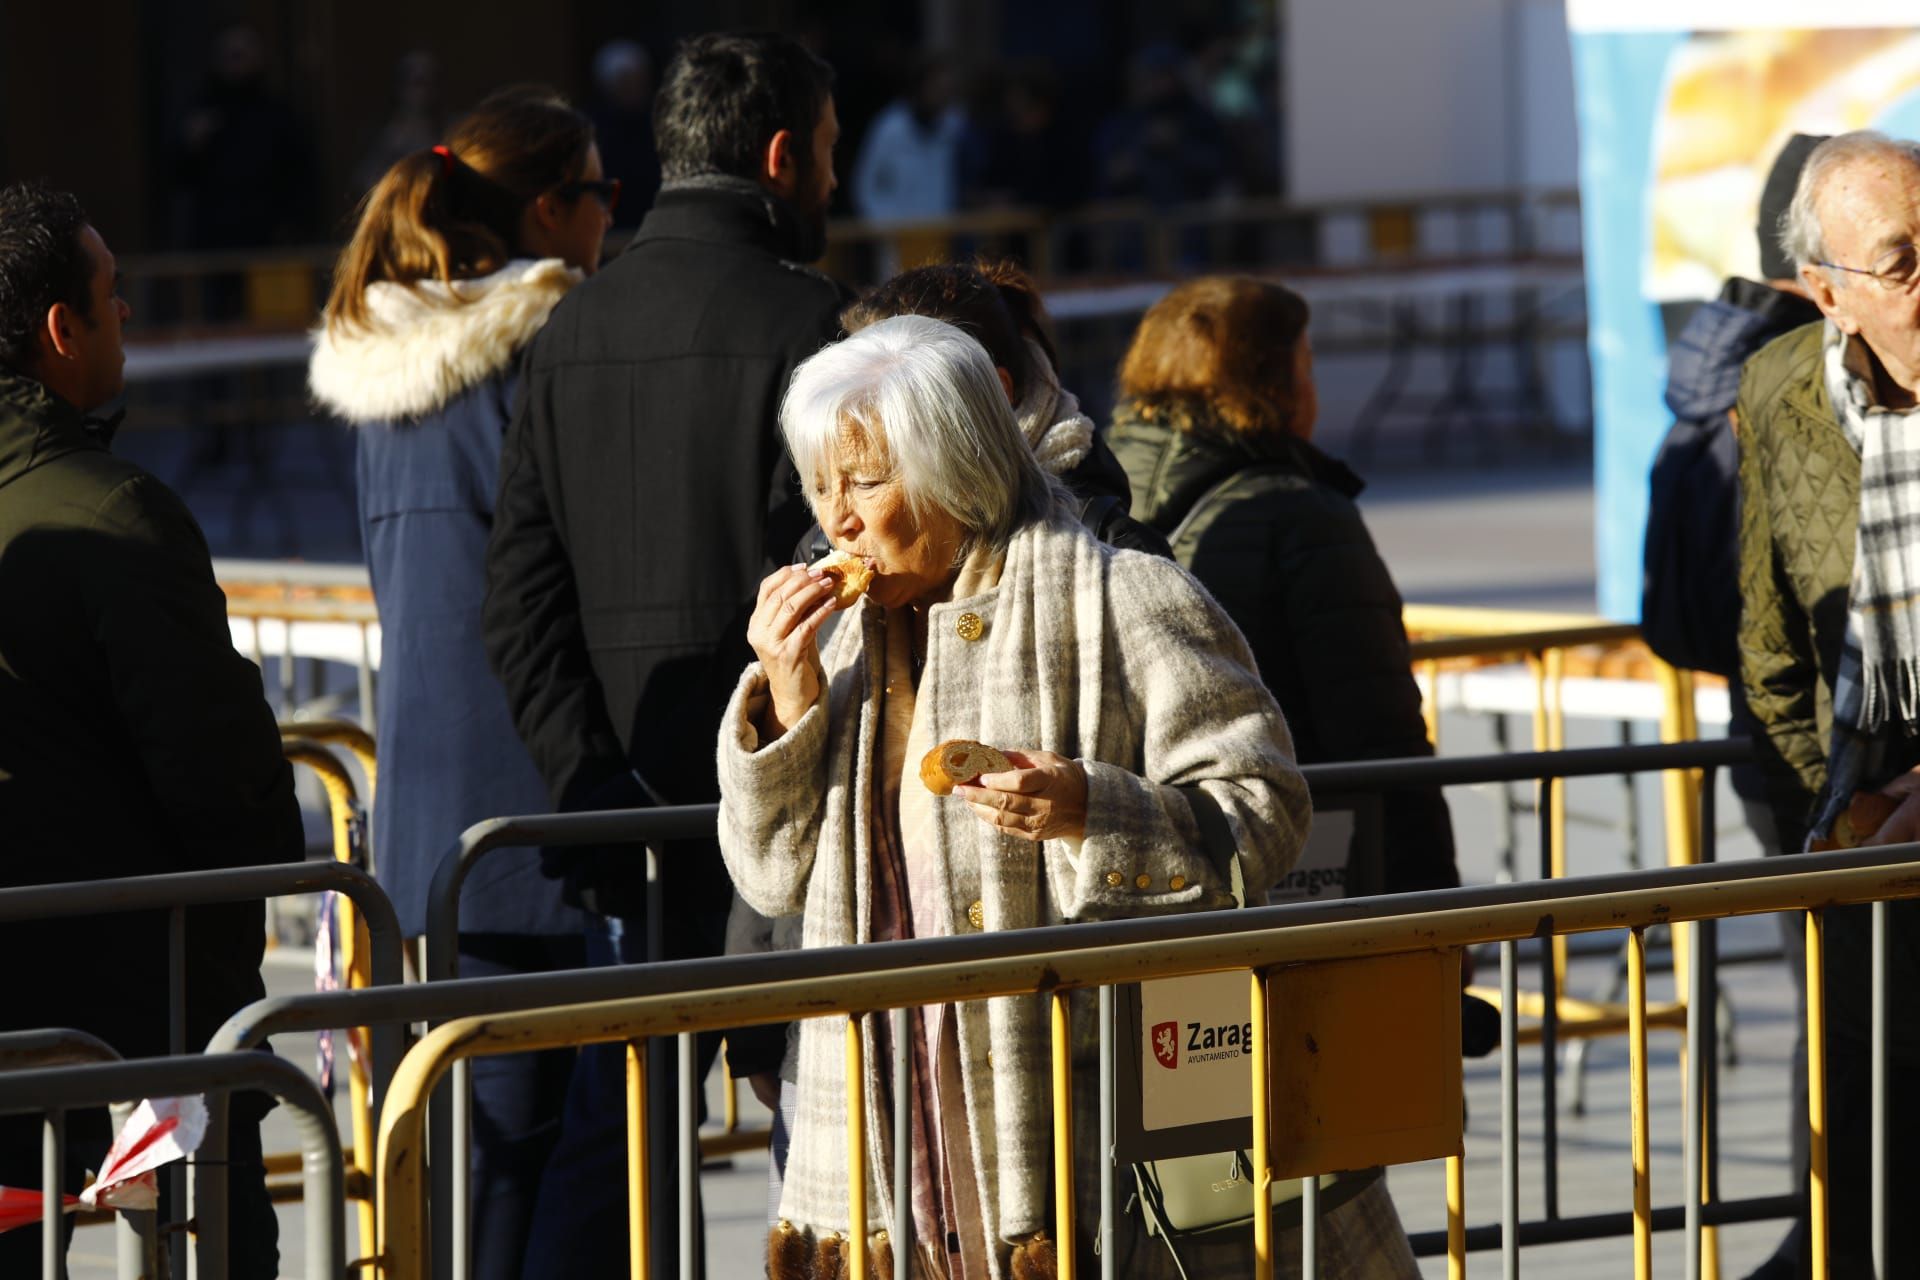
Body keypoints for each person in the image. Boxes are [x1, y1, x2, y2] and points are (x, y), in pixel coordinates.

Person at [722, 313, 1416, 1278]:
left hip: (1084, 1131)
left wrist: (1095, 809)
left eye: (867, 482)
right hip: (887, 1145)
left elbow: (1264, 811)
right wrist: (788, 709)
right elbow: (770, 877)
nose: (835, 518)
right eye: (822, 484)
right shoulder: (833, 647)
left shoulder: (1123, 596)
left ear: (954, 469)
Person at [482, 31, 845, 1278]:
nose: (836, 187)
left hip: (626, 817)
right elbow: (836, 575)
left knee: (616, 1137)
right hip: (787, 805)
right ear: (785, 154)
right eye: (831, 155)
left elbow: (517, 597)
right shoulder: (813, 325)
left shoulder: (566, 335)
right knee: (827, 1122)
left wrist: (588, 783)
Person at [308, 85, 611, 1280]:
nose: (609, 218)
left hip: (433, 824)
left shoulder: (388, 386)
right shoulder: (543, 355)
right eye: (599, 191)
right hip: (553, 809)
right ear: (547, 208)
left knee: (475, 1151)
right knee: (576, 1160)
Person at [0, 180, 300, 1276]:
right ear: (58, 328)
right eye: (112, 295)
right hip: (139, 1013)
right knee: (213, 1248)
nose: (128, 315)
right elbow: (224, 778)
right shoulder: (114, 514)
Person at [1108, 276, 1460, 900]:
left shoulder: (1094, 496)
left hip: (1146, 858)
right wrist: (1436, 906)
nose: (1312, 388)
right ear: (1272, 385)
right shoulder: (1302, 515)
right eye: (1306, 366)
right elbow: (1378, 733)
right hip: (1297, 858)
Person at [1639, 135, 1825, 1280]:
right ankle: (1844, 1222)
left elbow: (1675, 612)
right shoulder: (1792, 390)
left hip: (1763, 741)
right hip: (1825, 748)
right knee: (1858, 1002)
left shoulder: (1700, 386)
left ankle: (1833, 1221)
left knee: (1836, 991)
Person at [1735, 129, 1920, 1277]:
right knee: (1872, 1087)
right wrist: (1837, 801)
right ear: (1826, 291)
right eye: (1901, 262)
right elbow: (1768, 635)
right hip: (1863, 795)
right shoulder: (1781, 386)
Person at [850, 55, 968, 220]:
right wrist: (885, 238)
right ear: (919, 87)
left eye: (947, 91)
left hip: (941, 234)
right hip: (896, 235)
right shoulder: (889, 129)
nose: (942, 97)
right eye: (936, 88)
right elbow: (867, 189)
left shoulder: (955, 125)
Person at [587, 39, 662, 220]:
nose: (633, 89)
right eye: (625, 81)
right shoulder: (594, 130)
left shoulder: (658, 123)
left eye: (639, 80)